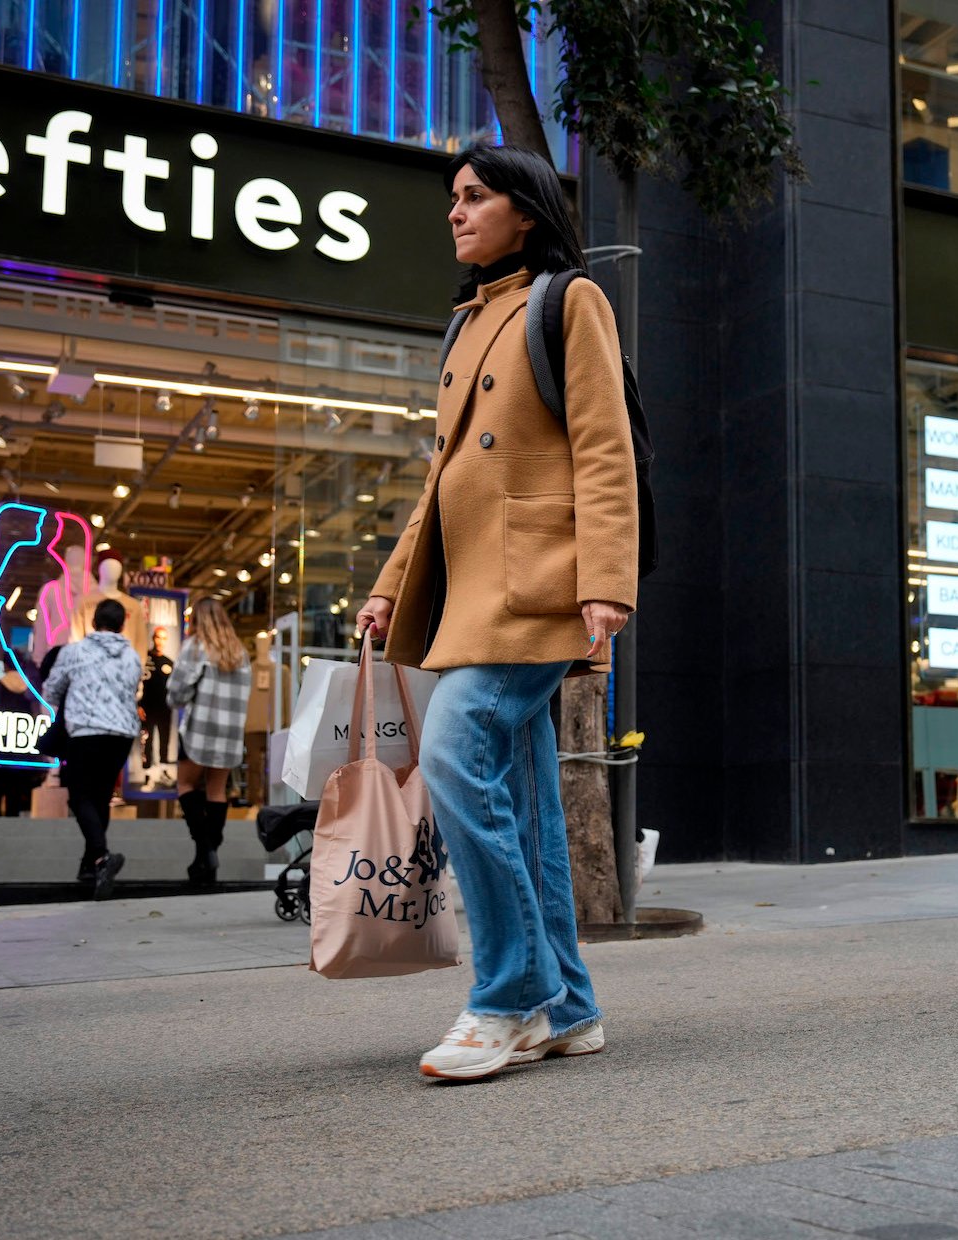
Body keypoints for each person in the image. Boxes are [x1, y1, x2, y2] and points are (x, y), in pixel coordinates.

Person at [354, 144, 639, 1081]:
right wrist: (395, 581)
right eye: (453, 198)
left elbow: (604, 446)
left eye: (475, 196)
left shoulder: (569, 301)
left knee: (451, 750)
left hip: (539, 584)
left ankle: (510, 997)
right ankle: (570, 1006)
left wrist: (607, 576)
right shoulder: (468, 322)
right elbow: (443, 478)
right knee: (522, 801)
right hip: (473, 591)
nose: (456, 211)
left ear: (527, 209)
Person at [44, 598, 143, 899]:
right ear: (122, 624)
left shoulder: (75, 652)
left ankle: (100, 856)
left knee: (80, 796)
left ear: (93, 622)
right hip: (122, 734)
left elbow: (51, 689)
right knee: (100, 797)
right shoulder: (132, 656)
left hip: (87, 732)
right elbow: (133, 688)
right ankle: (90, 866)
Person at [168, 597, 252, 886]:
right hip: (229, 734)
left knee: (185, 785)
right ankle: (208, 858)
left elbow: (177, 691)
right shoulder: (239, 652)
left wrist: (178, 700)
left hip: (200, 730)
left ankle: (204, 847)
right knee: (217, 791)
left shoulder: (195, 647)